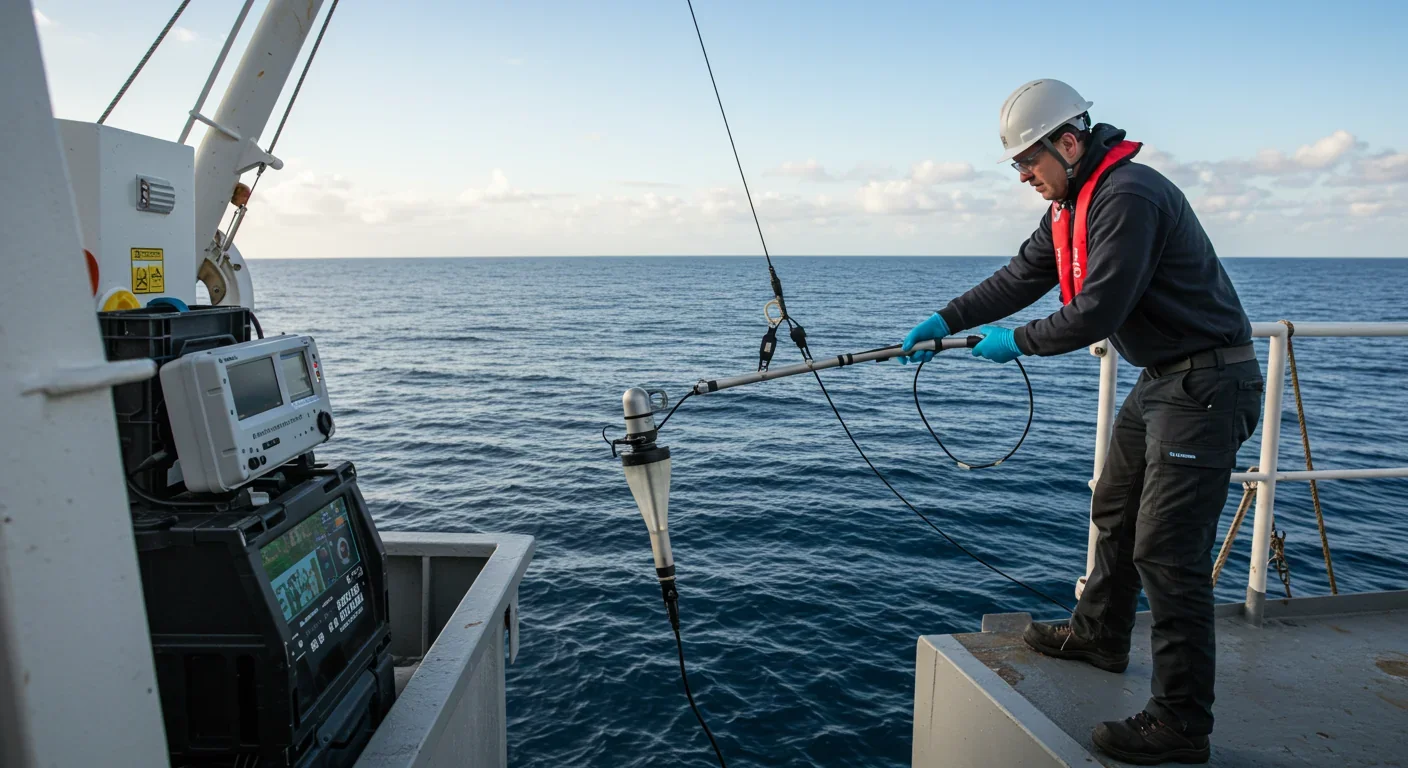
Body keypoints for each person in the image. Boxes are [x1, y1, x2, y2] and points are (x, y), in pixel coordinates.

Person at [898, 79, 1263, 765]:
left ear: (1070, 142)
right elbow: (1018, 277)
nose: (1024, 177)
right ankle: (1100, 634)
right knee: (1114, 505)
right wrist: (947, 318)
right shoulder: (1070, 205)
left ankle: (1182, 722)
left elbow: (1096, 310)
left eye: (1028, 161)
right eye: (1017, 166)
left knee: (1167, 550)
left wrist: (1019, 343)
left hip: (1207, 384)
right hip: (1165, 380)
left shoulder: (1129, 197)